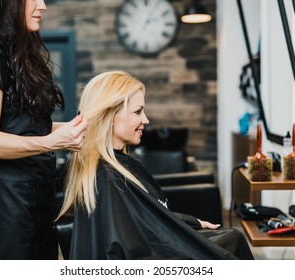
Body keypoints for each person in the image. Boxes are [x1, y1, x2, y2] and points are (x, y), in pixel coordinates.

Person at [58, 70, 254, 260]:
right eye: (138, 112)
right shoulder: (107, 177)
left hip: (154, 249)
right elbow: (128, 249)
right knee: (230, 244)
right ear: (109, 116)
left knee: (231, 238)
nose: (146, 120)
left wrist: (191, 223)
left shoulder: (116, 167)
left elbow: (147, 219)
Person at [0, 0, 88, 260]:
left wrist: (79, 129)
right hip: (6, 205)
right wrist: (53, 142)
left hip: (41, 196)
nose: (43, 6)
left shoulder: (26, 58)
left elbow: (33, 128)